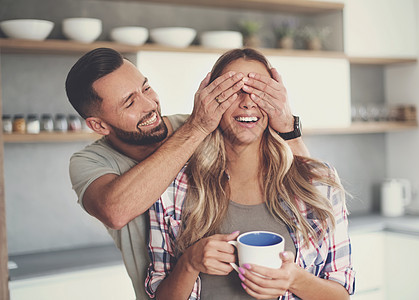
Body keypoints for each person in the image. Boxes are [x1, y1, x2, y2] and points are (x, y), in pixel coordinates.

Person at [66, 47, 310, 299]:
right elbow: (115, 211)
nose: (150, 105)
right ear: (99, 125)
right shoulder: (90, 161)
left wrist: (288, 128)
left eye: (146, 88)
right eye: (130, 102)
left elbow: (312, 197)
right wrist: (198, 126)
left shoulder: (209, 124)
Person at [146, 48, 355, 300]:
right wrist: (189, 263)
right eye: (233, 91)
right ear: (210, 100)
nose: (247, 102)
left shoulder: (318, 181)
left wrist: (295, 279)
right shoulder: (172, 187)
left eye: (260, 91)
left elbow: (341, 294)